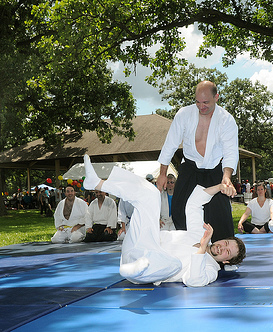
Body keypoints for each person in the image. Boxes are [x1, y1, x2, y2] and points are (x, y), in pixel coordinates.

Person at [82, 154, 245, 287]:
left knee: (173, 264)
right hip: (139, 245)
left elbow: (194, 281)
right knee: (151, 194)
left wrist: (202, 248)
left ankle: (133, 269)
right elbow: (194, 203)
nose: (221, 247)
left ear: (226, 260)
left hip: (142, 271)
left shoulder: (210, 269)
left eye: (227, 251)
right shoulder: (202, 235)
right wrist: (219, 187)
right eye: (225, 243)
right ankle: (97, 183)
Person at [156, 81, 238, 242]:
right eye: (198, 102)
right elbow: (170, 144)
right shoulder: (184, 114)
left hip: (215, 169)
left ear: (216, 97)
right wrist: (162, 174)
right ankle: (187, 248)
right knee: (180, 211)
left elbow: (230, 151)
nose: (201, 107)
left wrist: (226, 177)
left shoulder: (226, 120)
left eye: (206, 102)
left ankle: (224, 255)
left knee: (220, 214)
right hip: (189, 168)